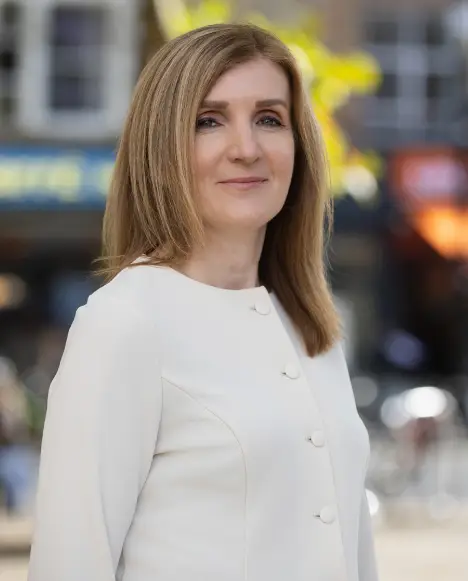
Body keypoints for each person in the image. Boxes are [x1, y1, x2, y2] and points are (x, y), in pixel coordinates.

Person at [28, 23, 379, 581]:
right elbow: (70, 564)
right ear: (161, 148)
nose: (246, 149)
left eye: (269, 119)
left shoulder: (310, 328)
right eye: (209, 121)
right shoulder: (125, 324)